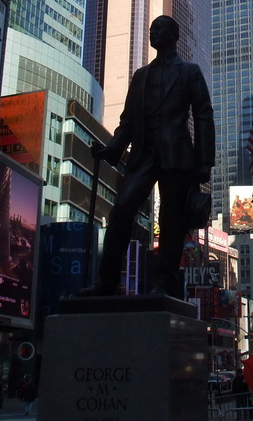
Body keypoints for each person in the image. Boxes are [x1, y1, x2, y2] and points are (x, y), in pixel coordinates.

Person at [83, 16, 215, 298]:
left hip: (177, 156)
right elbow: (128, 120)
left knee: (172, 220)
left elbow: (203, 114)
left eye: (158, 29)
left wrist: (205, 162)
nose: (152, 32)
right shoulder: (141, 76)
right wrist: (112, 149)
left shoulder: (189, 72)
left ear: (173, 35)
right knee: (121, 210)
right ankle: (106, 281)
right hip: (143, 154)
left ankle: (164, 281)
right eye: (152, 29)